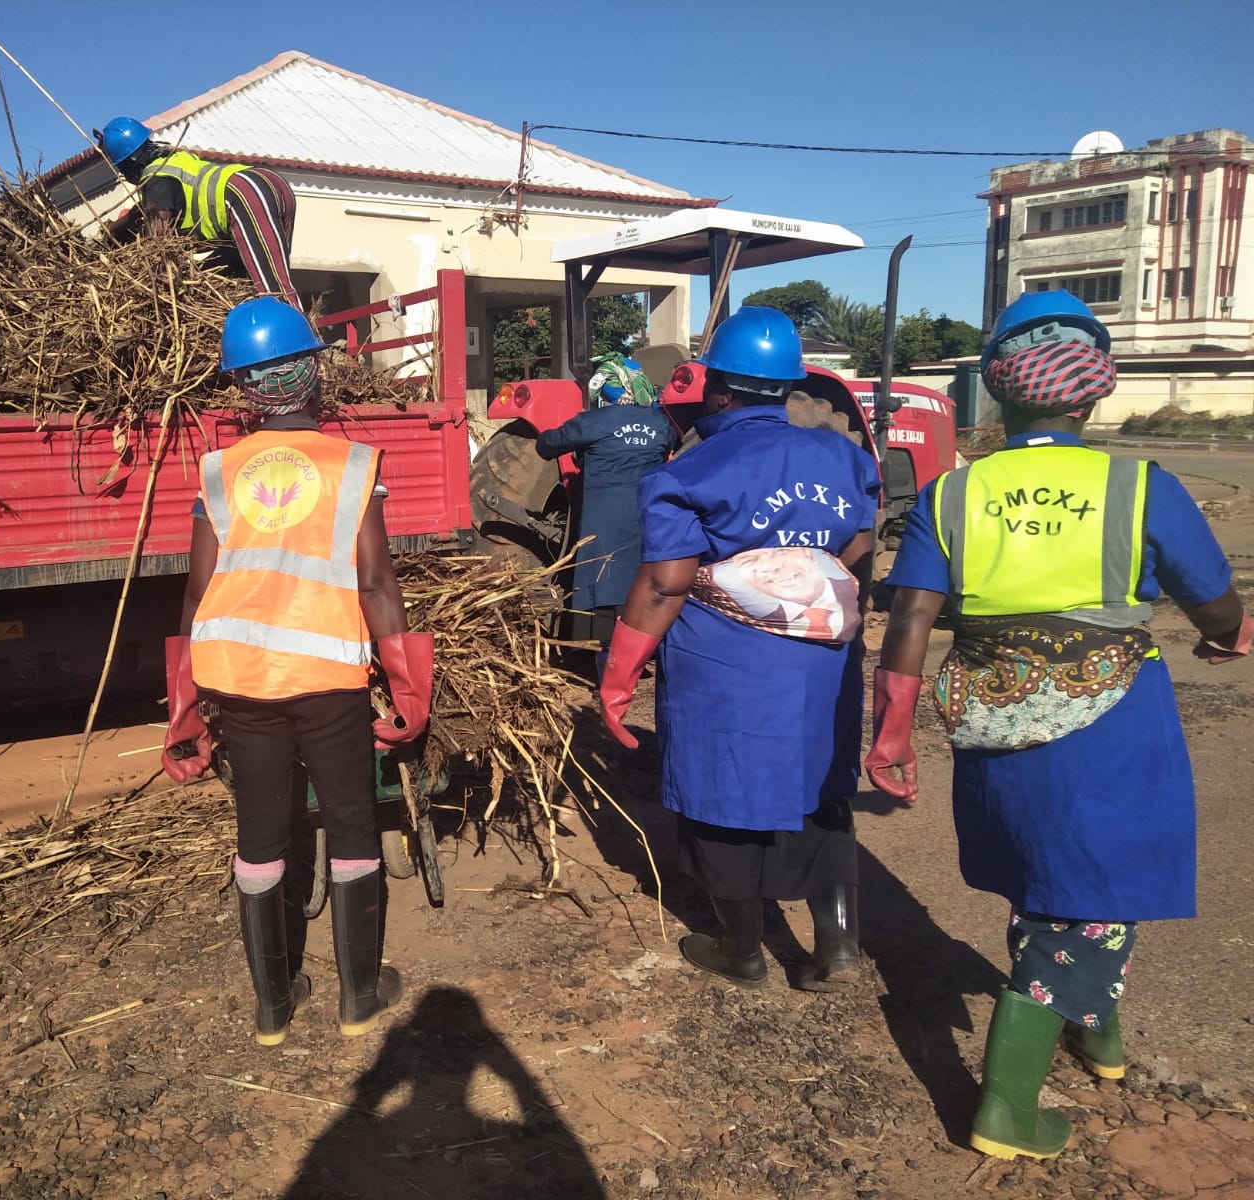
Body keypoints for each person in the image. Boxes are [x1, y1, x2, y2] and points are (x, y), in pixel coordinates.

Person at [865, 290, 1251, 1161]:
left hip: (995, 721)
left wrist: (890, 733)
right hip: (1110, 728)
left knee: (1050, 878)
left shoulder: (953, 491)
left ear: (999, 392)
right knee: (1086, 897)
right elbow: (1216, 607)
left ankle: (1099, 1035)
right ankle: (1003, 1108)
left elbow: (911, 621)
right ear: (1092, 392)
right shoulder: (1140, 484)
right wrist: (1231, 637)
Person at [160, 296, 436, 1045]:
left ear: (243, 387)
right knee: (350, 821)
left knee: (260, 831)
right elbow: (377, 585)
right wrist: (409, 687)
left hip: (237, 680)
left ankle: (273, 1009)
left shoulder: (218, 472)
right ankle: (357, 998)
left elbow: (195, 595)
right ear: (313, 376)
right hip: (325, 677)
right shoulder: (350, 466)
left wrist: (183, 711)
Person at [598, 307, 882, 990]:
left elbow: (665, 585)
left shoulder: (689, 470)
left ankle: (744, 951)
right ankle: (837, 945)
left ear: (718, 386)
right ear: (788, 385)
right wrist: (810, 591)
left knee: (722, 794)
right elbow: (862, 546)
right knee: (821, 788)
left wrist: (617, 677)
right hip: (821, 665)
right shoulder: (846, 457)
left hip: (726, 667)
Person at [534, 354, 678, 661]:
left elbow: (546, 446)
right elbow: (668, 446)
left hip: (604, 522)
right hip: (645, 519)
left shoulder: (593, 422)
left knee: (603, 577)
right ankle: (639, 650)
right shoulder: (660, 423)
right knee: (639, 579)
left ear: (603, 388)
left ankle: (606, 661)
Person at [99, 116, 301, 307]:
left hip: (245, 196)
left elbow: (157, 247)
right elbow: (141, 212)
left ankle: (295, 336)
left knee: (273, 292)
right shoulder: (175, 160)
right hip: (267, 185)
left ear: (128, 165)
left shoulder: (155, 179)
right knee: (233, 276)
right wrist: (113, 229)